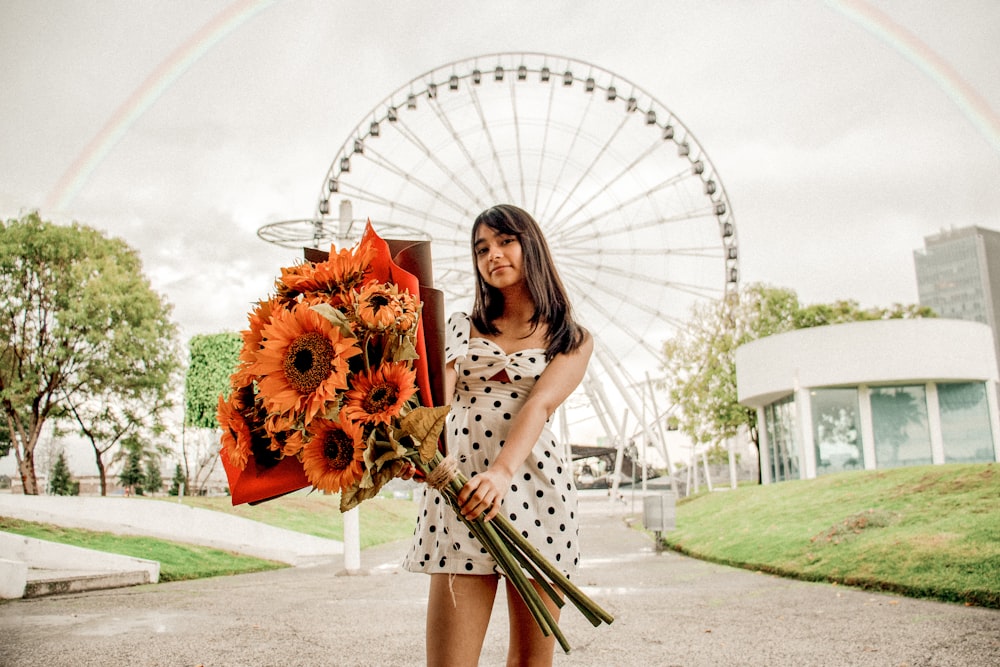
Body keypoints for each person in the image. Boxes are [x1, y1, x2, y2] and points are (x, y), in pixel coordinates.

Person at [403, 204, 593, 666]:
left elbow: (539, 404)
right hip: (460, 490)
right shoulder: (459, 327)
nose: (494, 254)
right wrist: (420, 446)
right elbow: (437, 397)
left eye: (506, 241)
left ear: (532, 246)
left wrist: (502, 472)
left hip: (534, 491)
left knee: (531, 662)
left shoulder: (571, 336)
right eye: (482, 248)